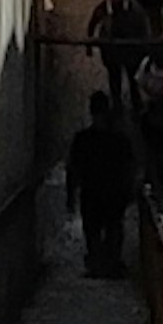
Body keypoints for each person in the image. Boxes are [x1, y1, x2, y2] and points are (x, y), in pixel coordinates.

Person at [62, 85, 140, 279]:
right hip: (113, 194)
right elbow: (130, 166)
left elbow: (73, 168)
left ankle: (99, 265)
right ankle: (109, 264)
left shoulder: (83, 139)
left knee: (94, 230)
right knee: (112, 229)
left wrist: (71, 195)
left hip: (93, 193)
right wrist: (129, 190)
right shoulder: (119, 139)